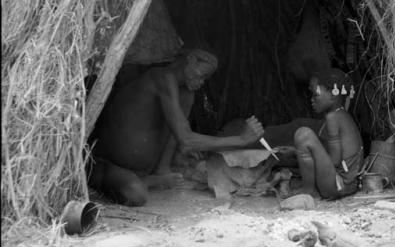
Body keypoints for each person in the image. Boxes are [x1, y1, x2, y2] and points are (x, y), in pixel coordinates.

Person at [88, 49, 264, 206]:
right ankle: (148, 181)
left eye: (206, 79)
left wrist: (163, 170)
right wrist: (240, 140)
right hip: (109, 165)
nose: (202, 82)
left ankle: (154, 177)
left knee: (200, 172)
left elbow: (174, 135)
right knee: (136, 194)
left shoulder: (185, 94)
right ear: (192, 59)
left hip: (140, 169)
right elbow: (185, 139)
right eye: (202, 75)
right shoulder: (161, 77)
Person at [294, 68, 363, 199]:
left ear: (333, 94)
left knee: (303, 135)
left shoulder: (333, 118)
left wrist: (313, 155)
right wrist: (295, 152)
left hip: (338, 185)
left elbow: (335, 161)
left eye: (316, 95)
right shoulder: (341, 115)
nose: (312, 100)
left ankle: (308, 193)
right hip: (349, 185)